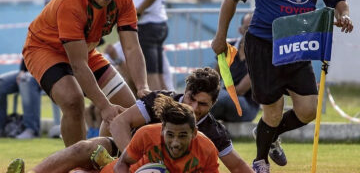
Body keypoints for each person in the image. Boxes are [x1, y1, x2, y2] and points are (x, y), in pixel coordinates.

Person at [211, 0, 353, 172]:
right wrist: (220, 37)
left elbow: (338, 0)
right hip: (264, 46)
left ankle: (269, 133)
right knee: (273, 112)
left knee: (308, 110)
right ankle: (260, 161)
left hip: (298, 44)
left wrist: (344, 14)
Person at [5, 68, 253, 173]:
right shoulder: (160, 100)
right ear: (184, 91)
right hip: (127, 154)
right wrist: (132, 160)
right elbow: (119, 123)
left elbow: (239, 167)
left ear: (212, 105)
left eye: (203, 104)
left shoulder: (213, 133)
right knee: (86, 147)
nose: (193, 108)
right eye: (191, 99)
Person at [22, 0, 150, 146]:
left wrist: (142, 87)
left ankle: (102, 160)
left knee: (129, 108)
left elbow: (132, 47)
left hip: (84, 50)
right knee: (73, 102)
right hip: (44, 49)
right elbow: (78, 65)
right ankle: (76, 164)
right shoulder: (71, 3)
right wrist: (104, 106)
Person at [108, 94, 219, 172]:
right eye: (170, 135)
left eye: (182, 136)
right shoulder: (146, 134)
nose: (176, 143)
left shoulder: (207, 150)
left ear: (194, 132)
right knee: (91, 148)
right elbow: (121, 164)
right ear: (162, 130)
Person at [211, 13, 260, 122]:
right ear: (240, 30)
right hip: (226, 98)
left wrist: (214, 95)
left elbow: (240, 90)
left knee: (220, 99)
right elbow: (214, 78)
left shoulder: (261, 54)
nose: (252, 32)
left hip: (247, 106)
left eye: (256, 28)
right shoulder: (228, 48)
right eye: (248, 28)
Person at [0, 60, 41, 139]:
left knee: (25, 79)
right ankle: (2, 128)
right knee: (1, 83)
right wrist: (22, 70)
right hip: (27, 72)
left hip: (45, 73)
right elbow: (26, 56)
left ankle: (32, 130)